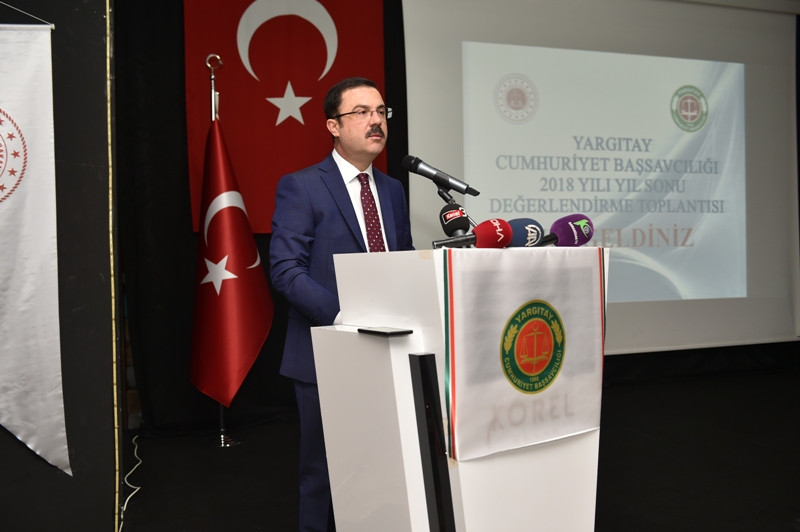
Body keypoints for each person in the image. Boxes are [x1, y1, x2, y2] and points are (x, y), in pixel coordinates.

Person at [269, 77, 414, 531]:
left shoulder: (392, 190)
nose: (376, 121)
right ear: (333, 125)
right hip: (324, 353)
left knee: (381, 471)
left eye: (381, 111)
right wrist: (347, 318)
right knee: (323, 475)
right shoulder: (302, 186)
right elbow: (286, 270)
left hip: (389, 350)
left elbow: (400, 261)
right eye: (362, 112)